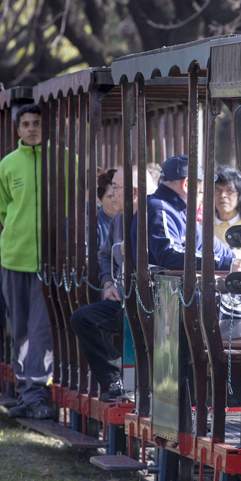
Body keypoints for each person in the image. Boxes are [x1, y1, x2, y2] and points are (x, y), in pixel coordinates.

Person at [71, 167, 155, 403]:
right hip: (122, 300)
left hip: (150, 304)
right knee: (82, 318)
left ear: (135, 192)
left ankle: (140, 386)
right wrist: (107, 283)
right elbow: (104, 255)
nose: (110, 194)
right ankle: (114, 380)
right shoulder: (119, 218)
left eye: (115, 188)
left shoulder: (153, 218)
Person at [0, 103, 54, 420]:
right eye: (26, 124)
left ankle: (37, 395)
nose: (31, 128)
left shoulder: (64, 160)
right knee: (19, 330)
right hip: (15, 259)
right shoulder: (7, 165)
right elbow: (5, 211)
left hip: (50, 263)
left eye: (37, 123)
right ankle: (26, 393)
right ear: (17, 130)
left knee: (41, 330)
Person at [129, 154, 236, 274]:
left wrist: (234, 258)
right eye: (201, 191)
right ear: (186, 184)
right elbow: (169, 254)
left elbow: (208, 243)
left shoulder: (178, 210)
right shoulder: (160, 209)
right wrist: (228, 263)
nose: (202, 198)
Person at [213, 165, 241, 257]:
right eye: (217, 190)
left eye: (229, 190)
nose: (223, 195)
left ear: (240, 195)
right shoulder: (201, 227)